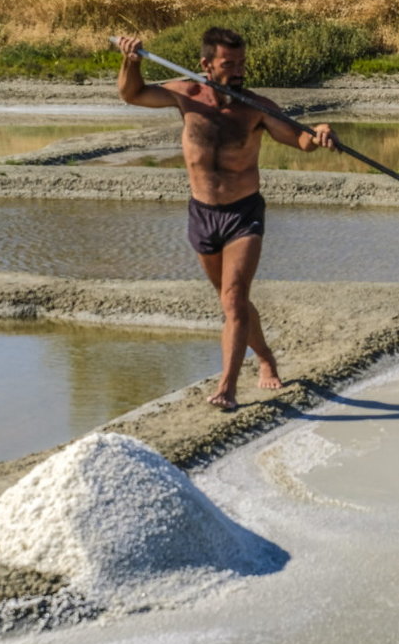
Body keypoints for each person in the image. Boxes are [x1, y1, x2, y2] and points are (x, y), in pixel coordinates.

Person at [116, 28, 338, 410]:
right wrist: (130, 61)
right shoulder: (186, 96)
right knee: (230, 301)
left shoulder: (256, 106)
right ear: (206, 64)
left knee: (234, 298)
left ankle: (227, 387)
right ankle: (265, 356)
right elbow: (132, 94)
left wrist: (319, 133)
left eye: (241, 64)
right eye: (228, 64)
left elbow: (297, 140)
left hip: (242, 214)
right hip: (202, 214)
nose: (238, 71)